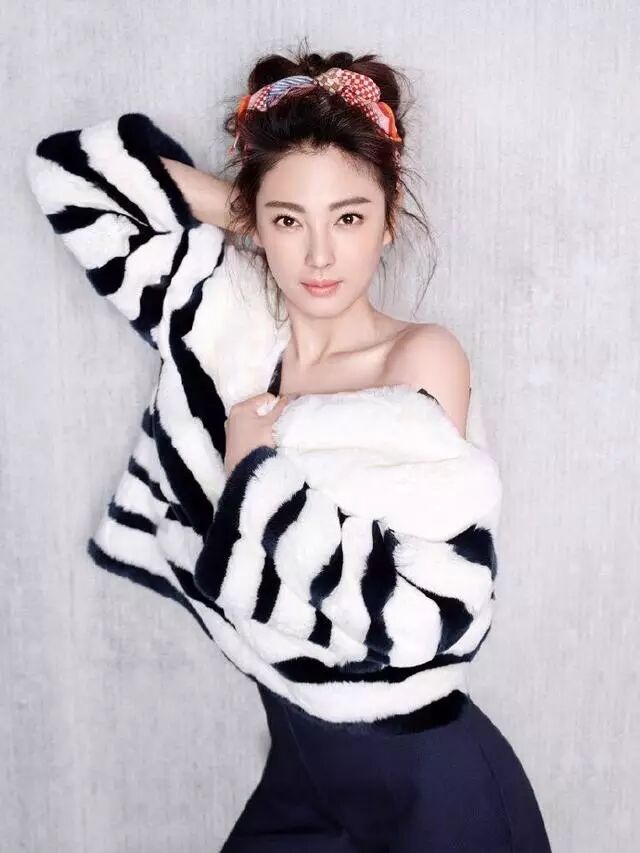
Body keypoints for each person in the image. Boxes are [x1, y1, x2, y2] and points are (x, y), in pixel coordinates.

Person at [26, 40, 552, 852]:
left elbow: (431, 612)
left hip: (433, 789)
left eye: (349, 217)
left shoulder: (419, 359)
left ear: (388, 221)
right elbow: (67, 174)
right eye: (288, 221)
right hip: (302, 766)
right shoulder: (230, 329)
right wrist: (247, 208)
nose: (318, 255)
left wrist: (254, 470)